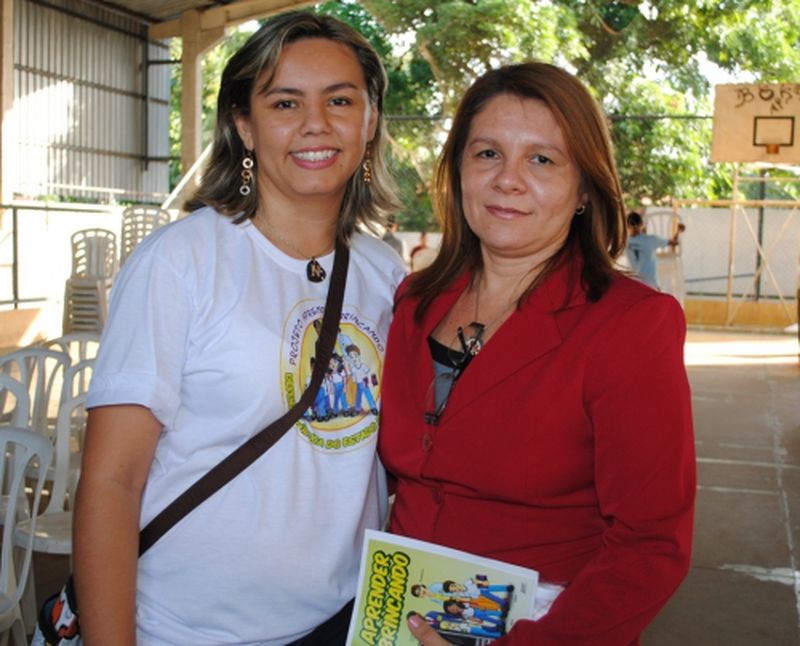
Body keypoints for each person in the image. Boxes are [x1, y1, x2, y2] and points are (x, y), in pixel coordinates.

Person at [73, 11, 405, 645]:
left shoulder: (383, 275)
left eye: (340, 99)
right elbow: (112, 482)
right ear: (243, 126)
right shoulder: (181, 261)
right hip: (185, 629)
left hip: (341, 622)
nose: (316, 123)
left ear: (369, 121)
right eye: (285, 102)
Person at [378, 61, 695, 645]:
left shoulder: (629, 325)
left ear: (583, 190)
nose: (508, 180)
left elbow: (650, 543)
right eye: (487, 154)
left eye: (542, 160)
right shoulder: (414, 302)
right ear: (459, 171)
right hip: (396, 621)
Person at [625, 210, 686, 289]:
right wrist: (678, 231)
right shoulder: (651, 240)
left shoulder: (624, 242)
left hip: (633, 284)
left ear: (627, 226)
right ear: (642, 224)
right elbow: (674, 243)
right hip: (650, 284)